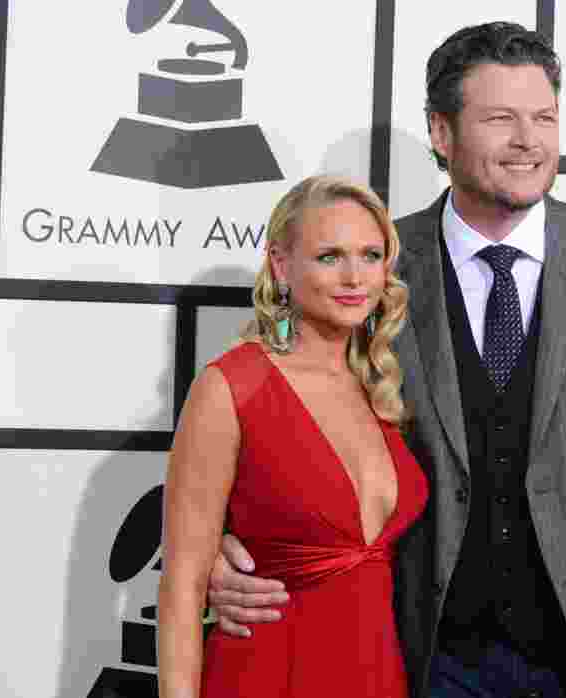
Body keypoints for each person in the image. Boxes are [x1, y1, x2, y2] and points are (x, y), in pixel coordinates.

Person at [208, 22, 566, 698]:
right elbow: (270, 420)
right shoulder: (375, 266)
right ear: (442, 132)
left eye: (545, 117)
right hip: (421, 658)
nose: (529, 140)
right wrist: (221, 547)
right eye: (501, 119)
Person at [156, 175, 428, 698]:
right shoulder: (233, 387)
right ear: (282, 266)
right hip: (268, 672)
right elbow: (182, 588)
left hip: (377, 675)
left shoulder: (380, 385)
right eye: (329, 256)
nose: (355, 277)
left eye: (371, 255)